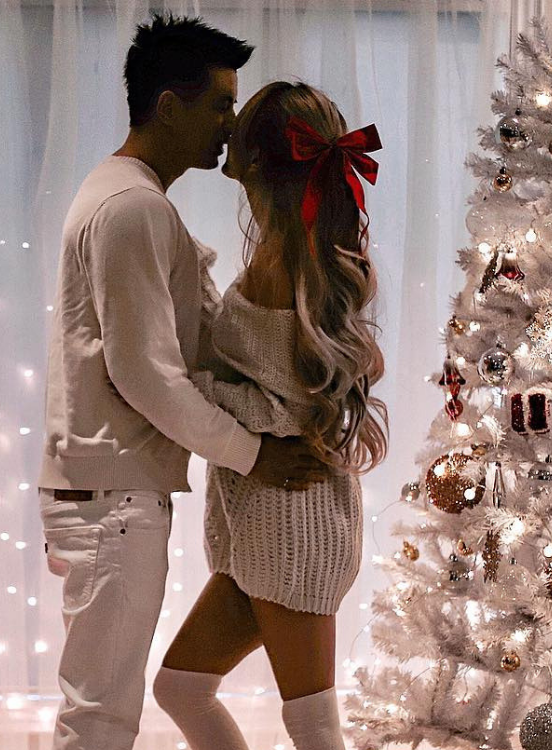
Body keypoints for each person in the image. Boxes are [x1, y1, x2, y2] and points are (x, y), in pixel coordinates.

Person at [37, 15, 328, 750]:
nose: (231, 125)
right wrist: (255, 455)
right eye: (221, 104)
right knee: (100, 717)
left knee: (114, 705)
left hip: (109, 495)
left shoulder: (130, 197)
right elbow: (147, 375)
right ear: (169, 106)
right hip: (112, 501)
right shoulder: (132, 207)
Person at [153, 81, 389, 750]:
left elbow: (290, 409)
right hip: (264, 527)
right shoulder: (291, 248)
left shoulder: (288, 261)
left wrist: (195, 389)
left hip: (295, 526)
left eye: (237, 121)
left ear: (256, 158)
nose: (224, 127)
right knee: (181, 689)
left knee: (312, 724)